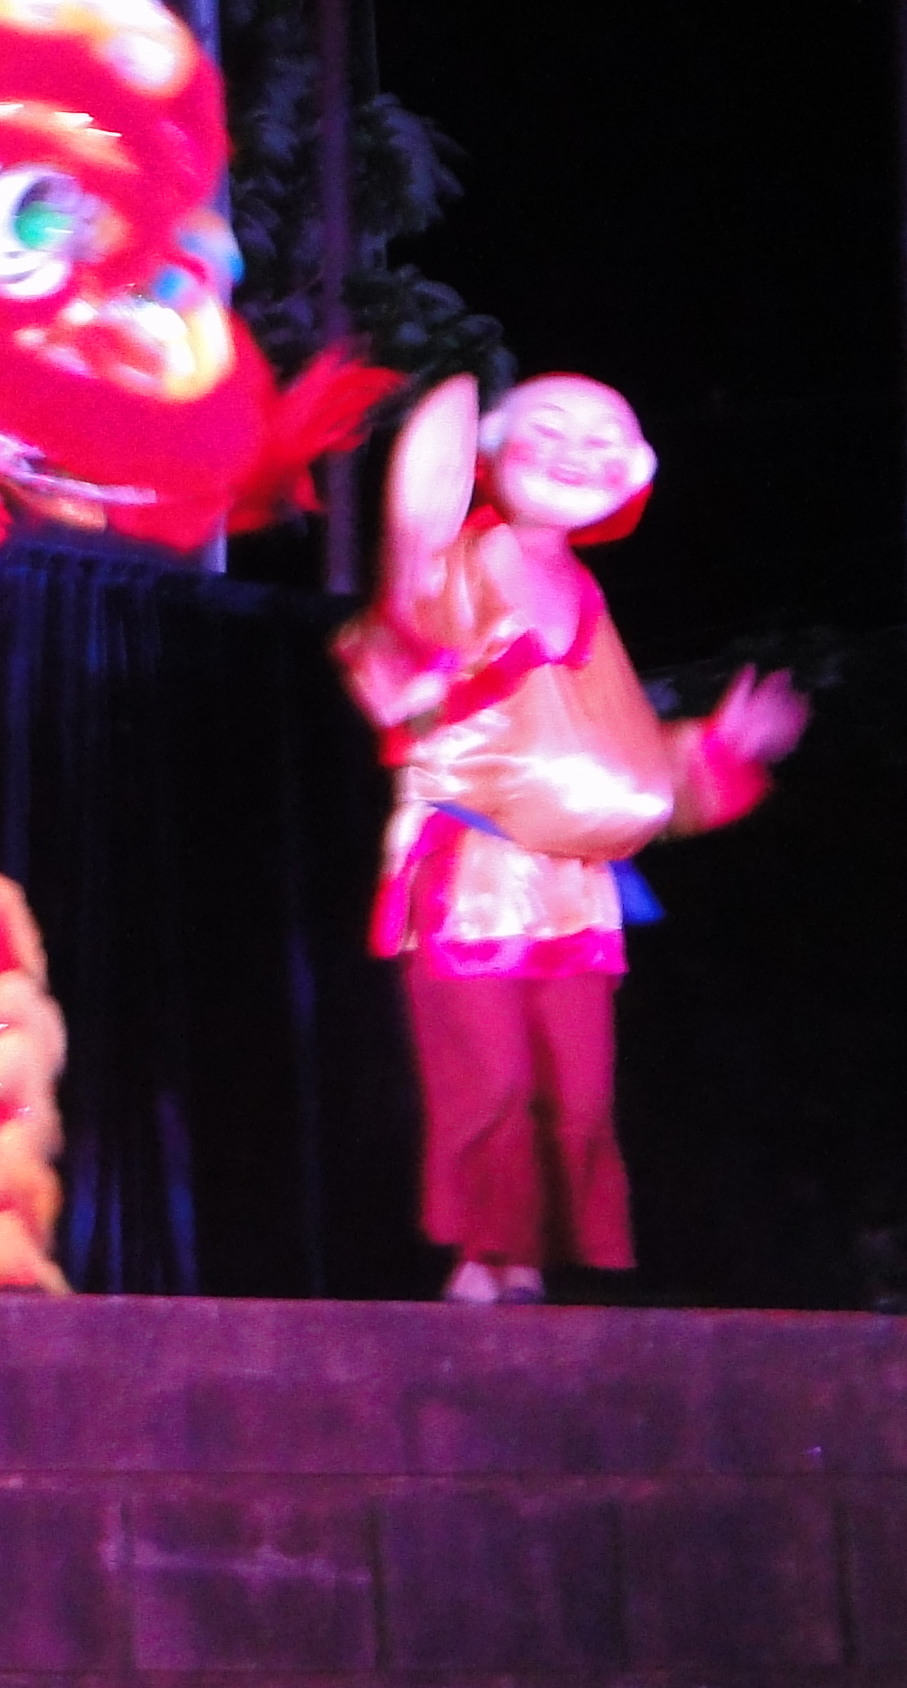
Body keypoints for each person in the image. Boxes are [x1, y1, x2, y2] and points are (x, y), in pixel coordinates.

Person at [339, 373, 805, 1302]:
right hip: (474, 869)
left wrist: (720, 750)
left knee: (579, 1093)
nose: (573, 454)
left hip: (578, 890)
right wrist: (413, 641)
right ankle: (488, 1253)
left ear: (632, 473)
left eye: (601, 441)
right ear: (495, 451)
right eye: (549, 431)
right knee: (494, 1081)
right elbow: (396, 660)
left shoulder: (584, 591)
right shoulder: (465, 562)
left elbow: (623, 767)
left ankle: (531, 1257)